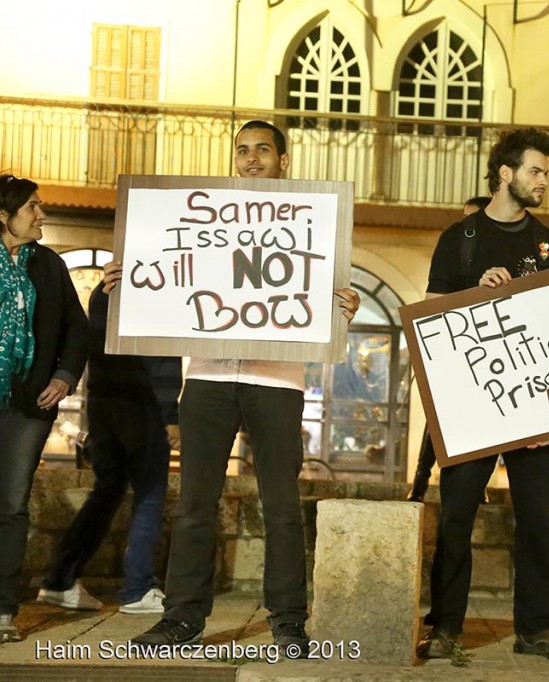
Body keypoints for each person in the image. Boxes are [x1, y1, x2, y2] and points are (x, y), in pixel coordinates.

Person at [120, 120, 361, 655]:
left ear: (284, 159)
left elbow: (323, 291)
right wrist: (131, 281)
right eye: (243, 150)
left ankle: (288, 621)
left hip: (276, 379)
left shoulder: (310, 223)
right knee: (193, 505)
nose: (251, 159)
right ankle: (182, 618)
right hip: (206, 375)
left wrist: (344, 306)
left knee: (281, 506)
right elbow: (168, 275)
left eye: (263, 150)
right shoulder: (201, 216)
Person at [416, 128, 549, 661]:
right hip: (472, 405)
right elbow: (433, 320)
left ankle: (537, 630)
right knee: (457, 515)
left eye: (546, 174)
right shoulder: (458, 239)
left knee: (536, 520)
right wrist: (473, 295)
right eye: (536, 171)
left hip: (534, 407)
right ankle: (444, 628)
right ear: (505, 174)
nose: (543, 182)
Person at [36, 284, 182, 616]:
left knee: (106, 492)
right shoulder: (160, 287)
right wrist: (170, 416)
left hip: (102, 402)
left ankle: (60, 579)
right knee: (150, 493)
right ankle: (137, 588)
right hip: (142, 405)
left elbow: (94, 348)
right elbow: (161, 355)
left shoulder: (105, 290)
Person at [0, 175, 89, 643]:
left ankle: (2, 611)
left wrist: (63, 376)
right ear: (4, 216)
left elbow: (78, 328)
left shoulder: (49, 265)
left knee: (12, 505)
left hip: (28, 402)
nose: (41, 214)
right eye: (32, 207)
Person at [407, 195, 491, 503]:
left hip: (485, 357)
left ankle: (475, 482)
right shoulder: (452, 254)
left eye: (472, 219)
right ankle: (420, 480)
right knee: (438, 419)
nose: (464, 225)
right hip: (452, 353)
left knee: (484, 421)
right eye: (462, 218)